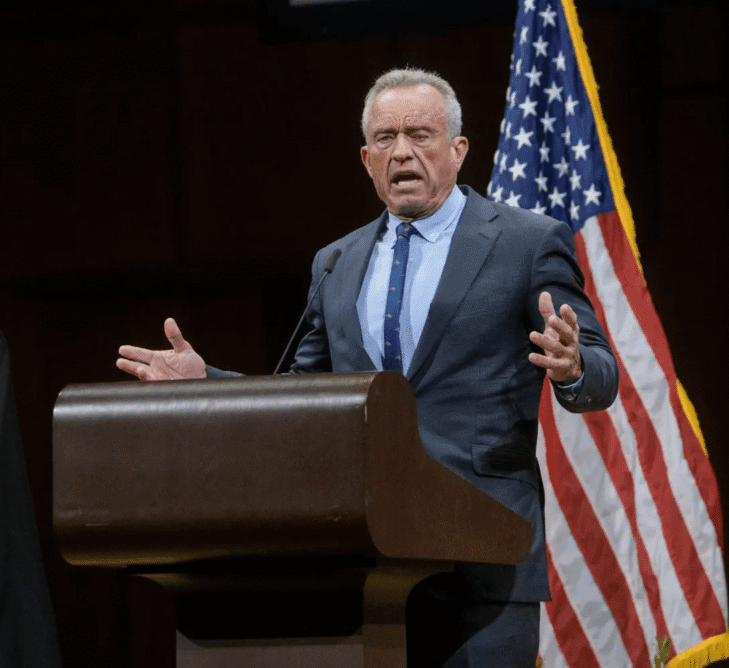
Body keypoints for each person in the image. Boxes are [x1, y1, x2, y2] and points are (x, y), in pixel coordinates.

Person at [117, 67, 619, 667]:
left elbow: (601, 372)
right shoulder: (336, 263)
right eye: (385, 138)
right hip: (369, 565)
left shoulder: (526, 243)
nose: (402, 151)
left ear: (458, 150)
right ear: (365, 157)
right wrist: (207, 384)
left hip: (485, 564)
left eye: (420, 134)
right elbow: (301, 399)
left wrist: (570, 367)